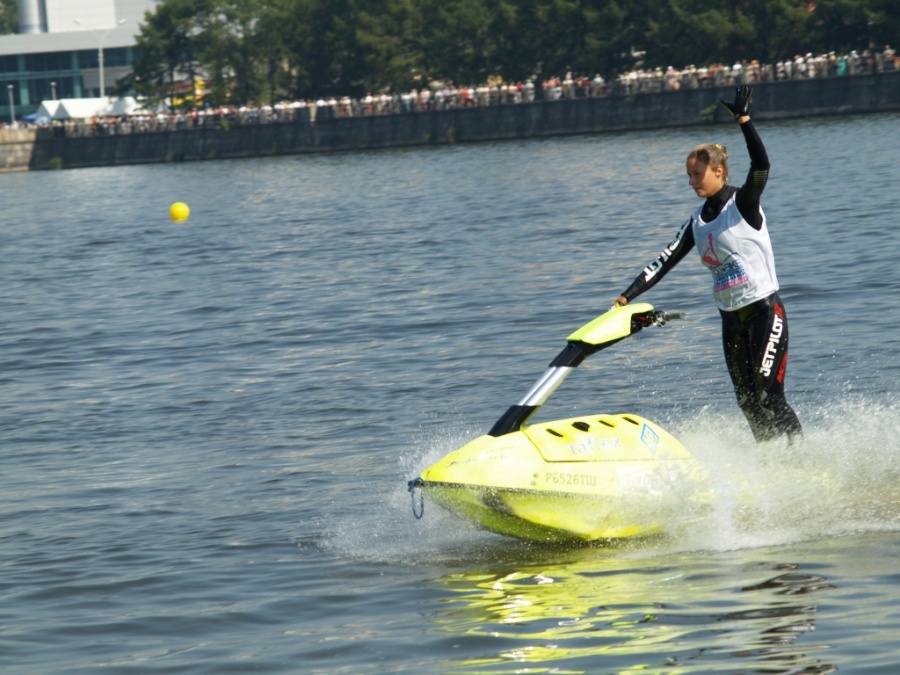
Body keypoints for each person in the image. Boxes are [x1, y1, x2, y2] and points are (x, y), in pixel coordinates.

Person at [613, 85, 802, 443]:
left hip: (764, 312)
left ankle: (800, 457)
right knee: (747, 402)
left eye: (696, 175)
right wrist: (626, 297)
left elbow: (762, 165)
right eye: (689, 176)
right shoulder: (696, 222)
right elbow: (663, 261)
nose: (691, 182)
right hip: (731, 321)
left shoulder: (743, 203)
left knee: (769, 396)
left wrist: (744, 120)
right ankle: (771, 461)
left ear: (718, 171)